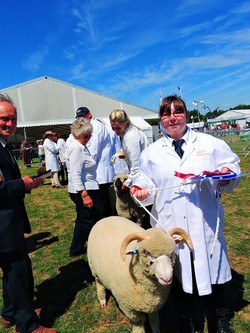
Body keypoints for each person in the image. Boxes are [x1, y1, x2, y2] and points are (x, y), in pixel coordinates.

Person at [130, 96, 240, 333]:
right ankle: (186, 323)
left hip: (205, 221)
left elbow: (232, 166)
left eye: (177, 112)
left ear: (186, 115)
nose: (172, 117)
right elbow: (143, 179)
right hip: (171, 224)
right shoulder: (151, 152)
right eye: (166, 113)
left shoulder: (209, 143)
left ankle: (219, 322)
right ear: (161, 119)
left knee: (214, 273)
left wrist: (226, 175)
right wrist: (141, 191)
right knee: (178, 275)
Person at [0, 93, 58, 333]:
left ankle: (11, 313)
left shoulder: (4, 145)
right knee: (18, 271)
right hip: (3, 223)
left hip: (9, 219)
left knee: (11, 270)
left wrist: (26, 183)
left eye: (13, 119)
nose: (9, 123)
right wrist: (20, 185)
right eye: (4, 118)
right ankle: (27, 326)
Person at [66, 118, 100, 257]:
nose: (89, 138)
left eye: (89, 135)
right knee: (86, 220)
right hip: (82, 189)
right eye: (86, 136)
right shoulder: (77, 148)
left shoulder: (80, 145)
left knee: (84, 219)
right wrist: (84, 194)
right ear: (78, 134)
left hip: (85, 187)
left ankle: (78, 247)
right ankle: (78, 248)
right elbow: (75, 173)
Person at [75, 107, 115, 218]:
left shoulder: (96, 126)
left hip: (100, 173)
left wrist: (83, 164)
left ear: (89, 115)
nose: (81, 120)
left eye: (83, 117)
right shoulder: (93, 125)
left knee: (102, 206)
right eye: (79, 118)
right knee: (103, 204)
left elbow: (93, 150)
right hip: (99, 171)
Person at [109, 109, 148, 190]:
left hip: (143, 177)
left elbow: (136, 166)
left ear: (125, 123)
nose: (115, 131)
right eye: (113, 128)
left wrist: (127, 184)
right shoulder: (128, 132)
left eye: (118, 128)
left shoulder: (130, 137)